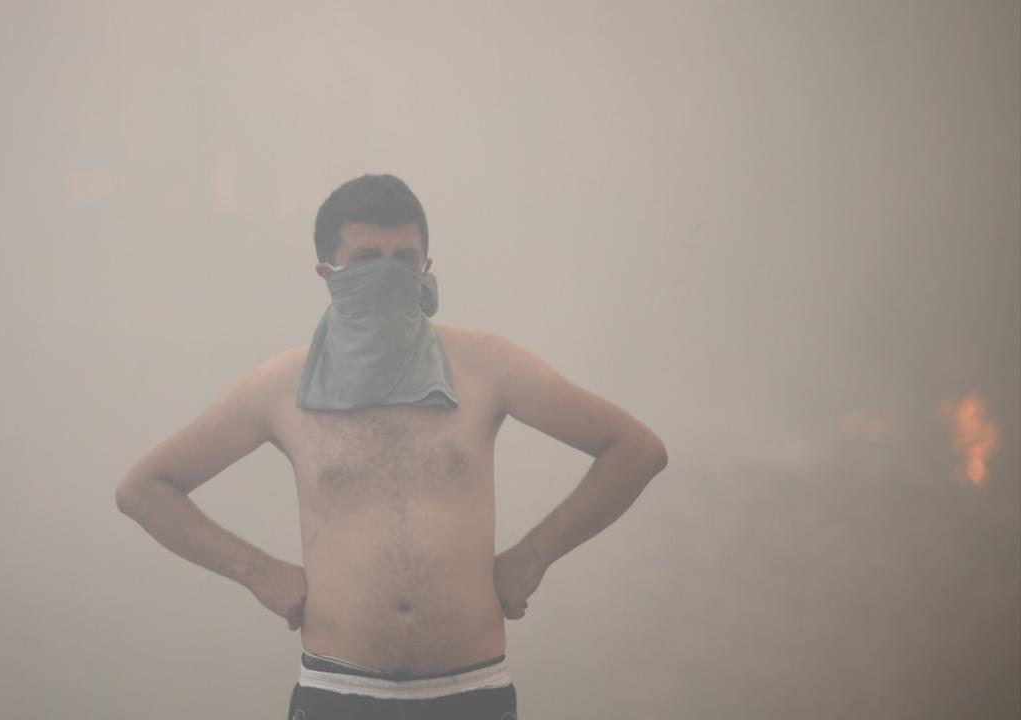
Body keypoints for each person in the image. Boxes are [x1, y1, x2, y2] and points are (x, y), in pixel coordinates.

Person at [116, 174, 668, 719]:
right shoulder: (281, 386)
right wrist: (256, 572)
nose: (388, 272)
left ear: (426, 267)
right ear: (327, 272)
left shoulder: (488, 365)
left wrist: (533, 556)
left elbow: (634, 450)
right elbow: (145, 489)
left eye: (404, 257)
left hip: (472, 688)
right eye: (365, 258)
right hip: (338, 688)